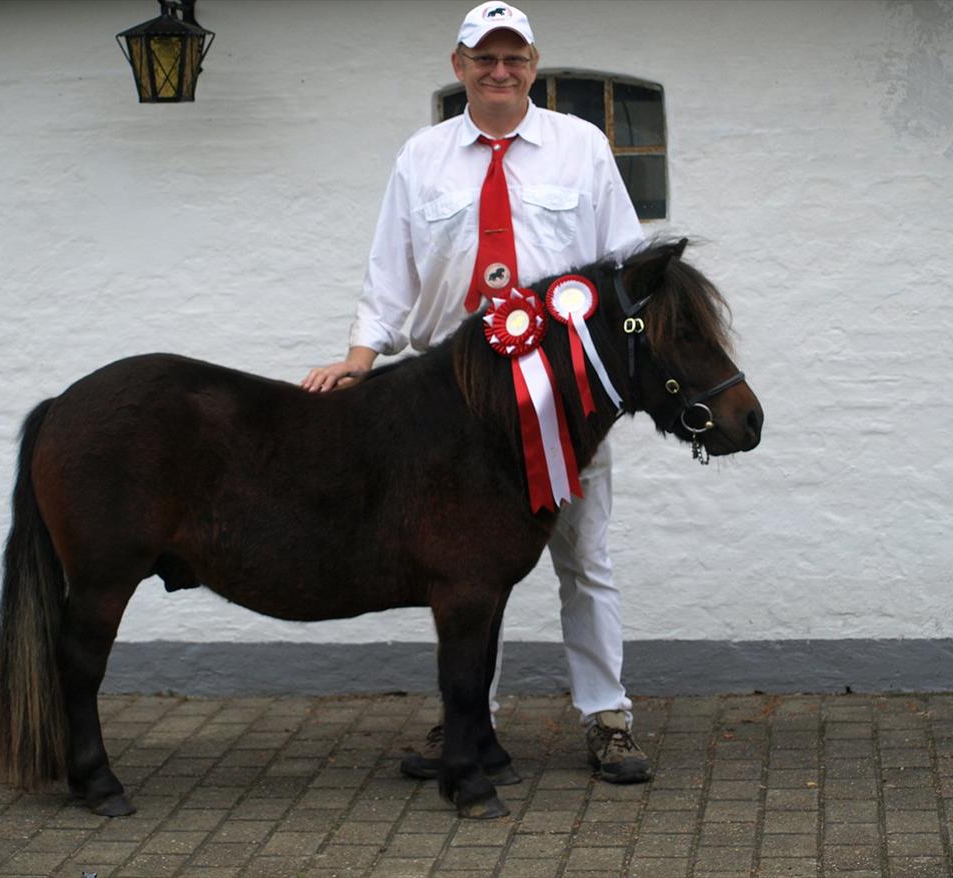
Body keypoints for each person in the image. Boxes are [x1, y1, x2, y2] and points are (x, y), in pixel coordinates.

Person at [302, 1, 649, 784]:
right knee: (463, 569)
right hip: (448, 409)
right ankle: (470, 722)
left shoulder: (581, 147)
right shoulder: (422, 156)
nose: (500, 72)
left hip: (561, 403)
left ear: (533, 65)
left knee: (584, 560)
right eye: (484, 59)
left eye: (514, 58)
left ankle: (608, 718)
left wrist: (616, 377)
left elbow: (622, 267)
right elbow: (390, 266)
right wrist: (361, 356)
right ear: (459, 68)